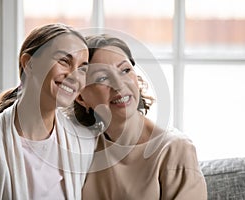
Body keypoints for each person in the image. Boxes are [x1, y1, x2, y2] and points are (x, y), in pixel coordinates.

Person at [0, 23, 95, 200]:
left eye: (82, 68)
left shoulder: (83, 144)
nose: (75, 76)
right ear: (28, 63)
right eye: (64, 61)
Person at [74, 34, 208, 199]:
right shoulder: (83, 149)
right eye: (102, 78)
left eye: (125, 70)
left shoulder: (175, 149)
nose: (119, 84)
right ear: (80, 97)